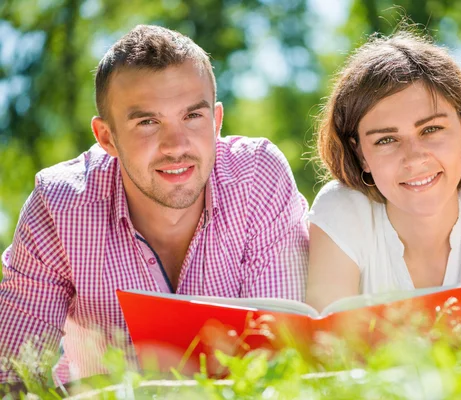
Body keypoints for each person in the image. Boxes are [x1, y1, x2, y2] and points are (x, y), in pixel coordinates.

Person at [0, 25, 308, 389]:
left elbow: (281, 362)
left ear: (216, 122)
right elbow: (13, 375)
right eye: (148, 122)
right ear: (107, 138)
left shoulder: (257, 178)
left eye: (193, 116)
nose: (176, 146)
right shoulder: (60, 204)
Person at [306, 31, 461, 326]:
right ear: (361, 155)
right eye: (386, 140)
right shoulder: (341, 212)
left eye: (430, 129)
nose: (414, 158)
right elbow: (327, 355)